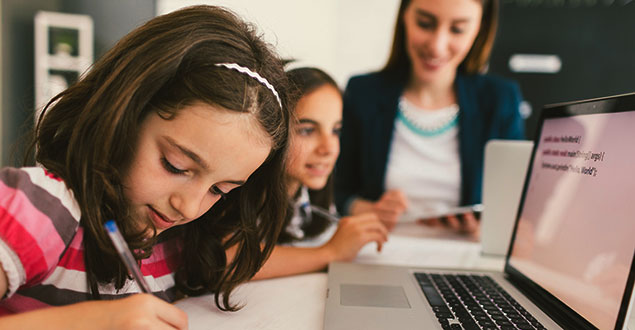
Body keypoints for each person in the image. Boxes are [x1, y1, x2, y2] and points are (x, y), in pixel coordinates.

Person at [0, 5, 292, 329]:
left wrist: (329, 253)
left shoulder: (175, 241)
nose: (189, 207)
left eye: (219, 190)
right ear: (123, 114)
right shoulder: (40, 208)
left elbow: (236, 258)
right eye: (175, 165)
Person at [335, 0, 525, 235]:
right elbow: (339, 193)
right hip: (377, 249)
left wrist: (488, 226)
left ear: (479, 29)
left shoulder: (500, 99)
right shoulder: (363, 92)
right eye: (425, 24)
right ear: (405, 16)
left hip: (463, 258)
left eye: (457, 29)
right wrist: (366, 209)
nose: (437, 47)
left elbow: (512, 206)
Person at [249, 67, 388, 280]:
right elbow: (227, 260)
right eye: (307, 130)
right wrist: (331, 252)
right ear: (274, 130)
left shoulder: (311, 195)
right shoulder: (245, 189)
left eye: (335, 131)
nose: (328, 148)